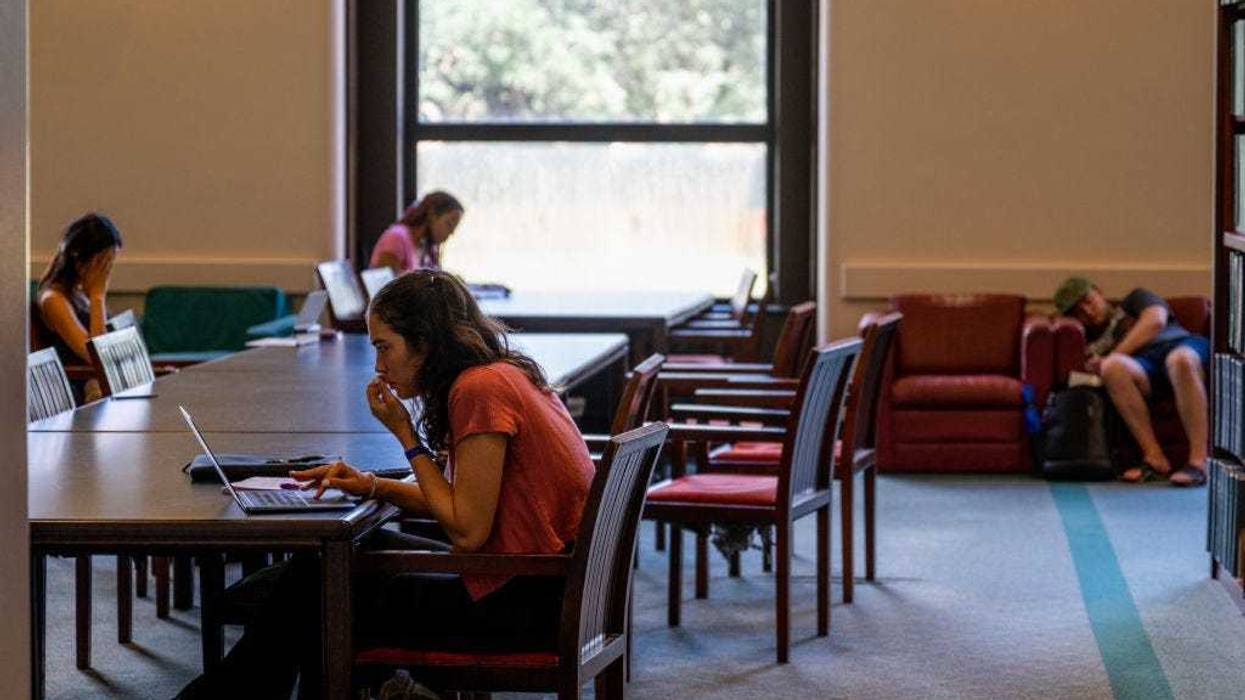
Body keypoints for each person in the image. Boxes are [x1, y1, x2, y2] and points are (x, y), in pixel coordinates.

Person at [176, 269, 594, 699]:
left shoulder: (478, 390)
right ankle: (239, 689)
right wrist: (371, 485)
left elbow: (468, 530)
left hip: (519, 604)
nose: (378, 365)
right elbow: (463, 504)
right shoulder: (500, 374)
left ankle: (229, 691)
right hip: (542, 585)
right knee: (321, 572)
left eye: (385, 347)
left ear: (426, 343)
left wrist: (406, 435)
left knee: (318, 591)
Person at [1053, 277, 1210, 486]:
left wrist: (1114, 353)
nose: (1088, 313)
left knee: (1180, 360)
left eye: (1088, 302)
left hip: (1180, 345)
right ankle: (1154, 458)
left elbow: (1155, 321)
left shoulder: (1135, 299)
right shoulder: (1087, 339)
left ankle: (1198, 462)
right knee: (1112, 368)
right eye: (1078, 313)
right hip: (1144, 368)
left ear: (1099, 292)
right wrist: (1100, 365)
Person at [34, 212, 124, 402]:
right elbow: (96, 356)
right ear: (78, 258)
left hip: (98, 384)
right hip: (77, 392)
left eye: (110, 262)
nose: (106, 272)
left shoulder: (79, 293)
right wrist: (98, 297)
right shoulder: (53, 299)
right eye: (102, 263)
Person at [369, 191, 464, 274]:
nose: (452, 232)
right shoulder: (396, 238)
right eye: (449, 224)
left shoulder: (428, 249)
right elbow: (386, 289)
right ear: (432, 215)